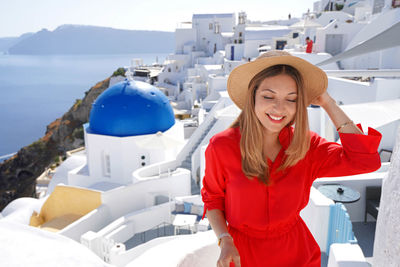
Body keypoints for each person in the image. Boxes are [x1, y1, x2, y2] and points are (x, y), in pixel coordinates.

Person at [200, 50, 382, 267]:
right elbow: (213, 200)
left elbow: (365, 160)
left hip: (298, 253)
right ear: (253, 97)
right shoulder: (221, 147)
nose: (279, 108)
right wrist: (224, 239)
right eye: (268, 96)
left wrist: (327, 103)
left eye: (292, 99)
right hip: (243, 255)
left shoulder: (308, 146)